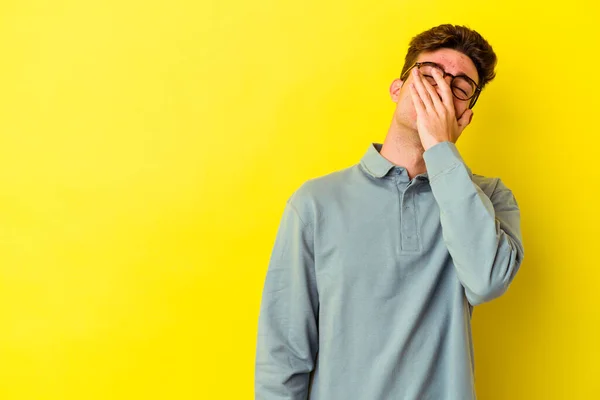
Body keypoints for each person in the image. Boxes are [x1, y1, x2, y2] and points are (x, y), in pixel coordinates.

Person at [255, 23, 524, 400]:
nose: (442, 90)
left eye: (460, 88)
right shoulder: (315, 203)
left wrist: (440, 150)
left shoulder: (490, 197)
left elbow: (487, 281)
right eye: (429, 75)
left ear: (465, 117)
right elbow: (282, 354)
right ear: (398, 89)